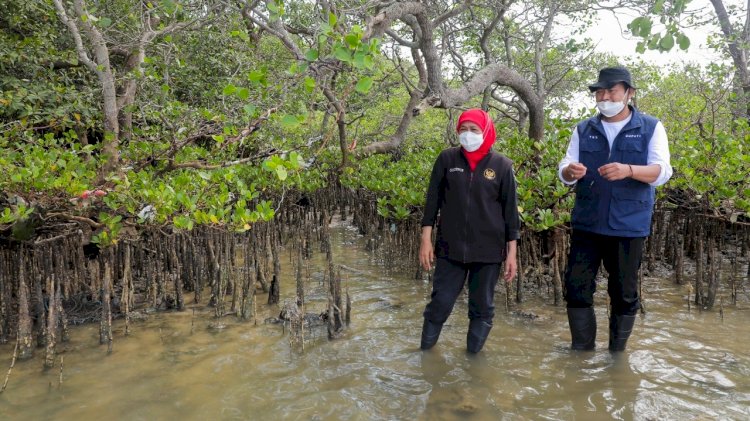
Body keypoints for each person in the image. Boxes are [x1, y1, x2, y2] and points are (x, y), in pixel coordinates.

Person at [559, 66, 672, 352]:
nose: (605, 96)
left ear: (629, 93)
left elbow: (662, 172)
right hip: (587, 222)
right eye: (600, 91)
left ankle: (616, 356)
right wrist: (570, 171)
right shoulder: (584, 128)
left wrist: (629, 169)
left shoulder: (650, 127)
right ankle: (581, 354)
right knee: (576, 288)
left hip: (628, 225)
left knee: (624, 293)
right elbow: (564, 167)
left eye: (611, 90)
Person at [419, 108, 520, 353]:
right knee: (440, 302)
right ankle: (425, 354)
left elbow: (510, 213)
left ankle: (472, 362)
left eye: (474, 130)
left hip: (488, 251)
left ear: (485, 132)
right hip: (449, 247)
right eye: (463, 129)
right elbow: (432, 201)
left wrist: (511, 254)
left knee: (482, 307)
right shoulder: (447, 159)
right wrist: (426, 239)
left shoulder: (502, 165)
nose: (467, 135)